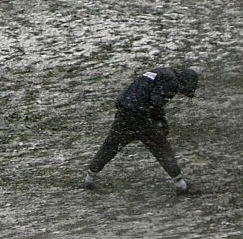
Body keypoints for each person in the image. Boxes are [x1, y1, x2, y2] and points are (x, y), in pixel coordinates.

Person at [81, 65, 199, 193]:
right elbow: (156, 101)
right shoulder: (172, 81)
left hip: (124, 113)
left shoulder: (158, 71)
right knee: (161, 147)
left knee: (110, 146)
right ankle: (181, 185)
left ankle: (89, 178)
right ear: (184, 81)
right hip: (141, 116)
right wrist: (161, 121)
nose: (180, 92)